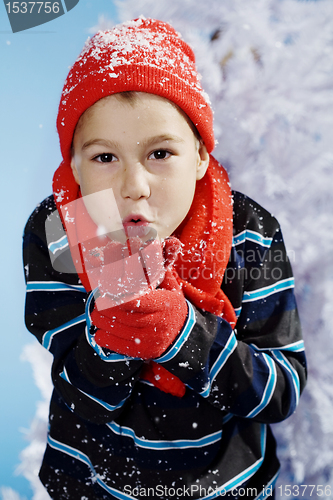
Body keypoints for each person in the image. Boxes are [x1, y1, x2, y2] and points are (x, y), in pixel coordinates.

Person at [23, 17, 306, 500]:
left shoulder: (250, 235)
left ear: (199, 153)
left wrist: (184, 335)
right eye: (105, 158)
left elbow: (281, 390)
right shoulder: (59, 233)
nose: (135, 186)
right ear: (72, 164)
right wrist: (112, 341)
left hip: (228, 487)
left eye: (159, 153)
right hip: (93, 484)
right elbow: (77, 398)